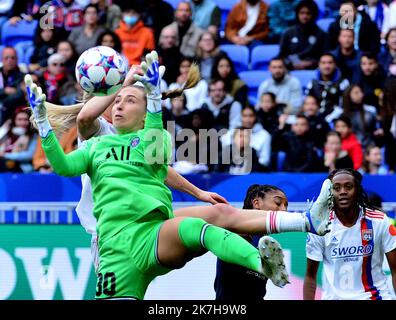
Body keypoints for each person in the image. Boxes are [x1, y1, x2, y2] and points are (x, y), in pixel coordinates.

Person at [27, 51, 333, 299]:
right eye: (116, 98)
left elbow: (157, 166)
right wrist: (127, 82)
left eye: (127, 99)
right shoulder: (98, 136)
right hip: (110, 237)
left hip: (151, 225)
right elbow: (82, 120)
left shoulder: (147, 136)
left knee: (219, 215)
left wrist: (197, 192)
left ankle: (303, 224)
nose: (118, 103)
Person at [304, 168, 396, 300]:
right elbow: (310, 276)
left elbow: (395, 269)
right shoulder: (319, 227)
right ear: (330, 193)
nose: (342, 192)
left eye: (348, 187)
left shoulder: (379, 221)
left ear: (357, 191)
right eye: (336, 188)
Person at [214, 184, 288, 300]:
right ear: (257, 203)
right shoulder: (237, 231)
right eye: (278, 203)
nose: (284, 209)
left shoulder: (266, 243)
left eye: (285, 205)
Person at [279, 0, 326, 70]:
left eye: (308, 13)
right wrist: (293, 63)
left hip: (315, 71)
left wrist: (310, 63)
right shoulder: (288, 33)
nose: (305, 16)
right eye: (302, 13)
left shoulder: (322, 35)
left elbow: (326, 57)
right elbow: (282, 55)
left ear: (314, 15)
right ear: (297, 14)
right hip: (291, 70)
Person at [305, 53, 349, 123]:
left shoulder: (343, 83)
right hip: (315, 119)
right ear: (319, 65)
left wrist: (328, 119)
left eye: (330, 63)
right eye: (323, 63)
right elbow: (307, 103)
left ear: (335, 64)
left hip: (336, 120)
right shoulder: (312, 83)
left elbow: (344, 107)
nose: (326, 66)